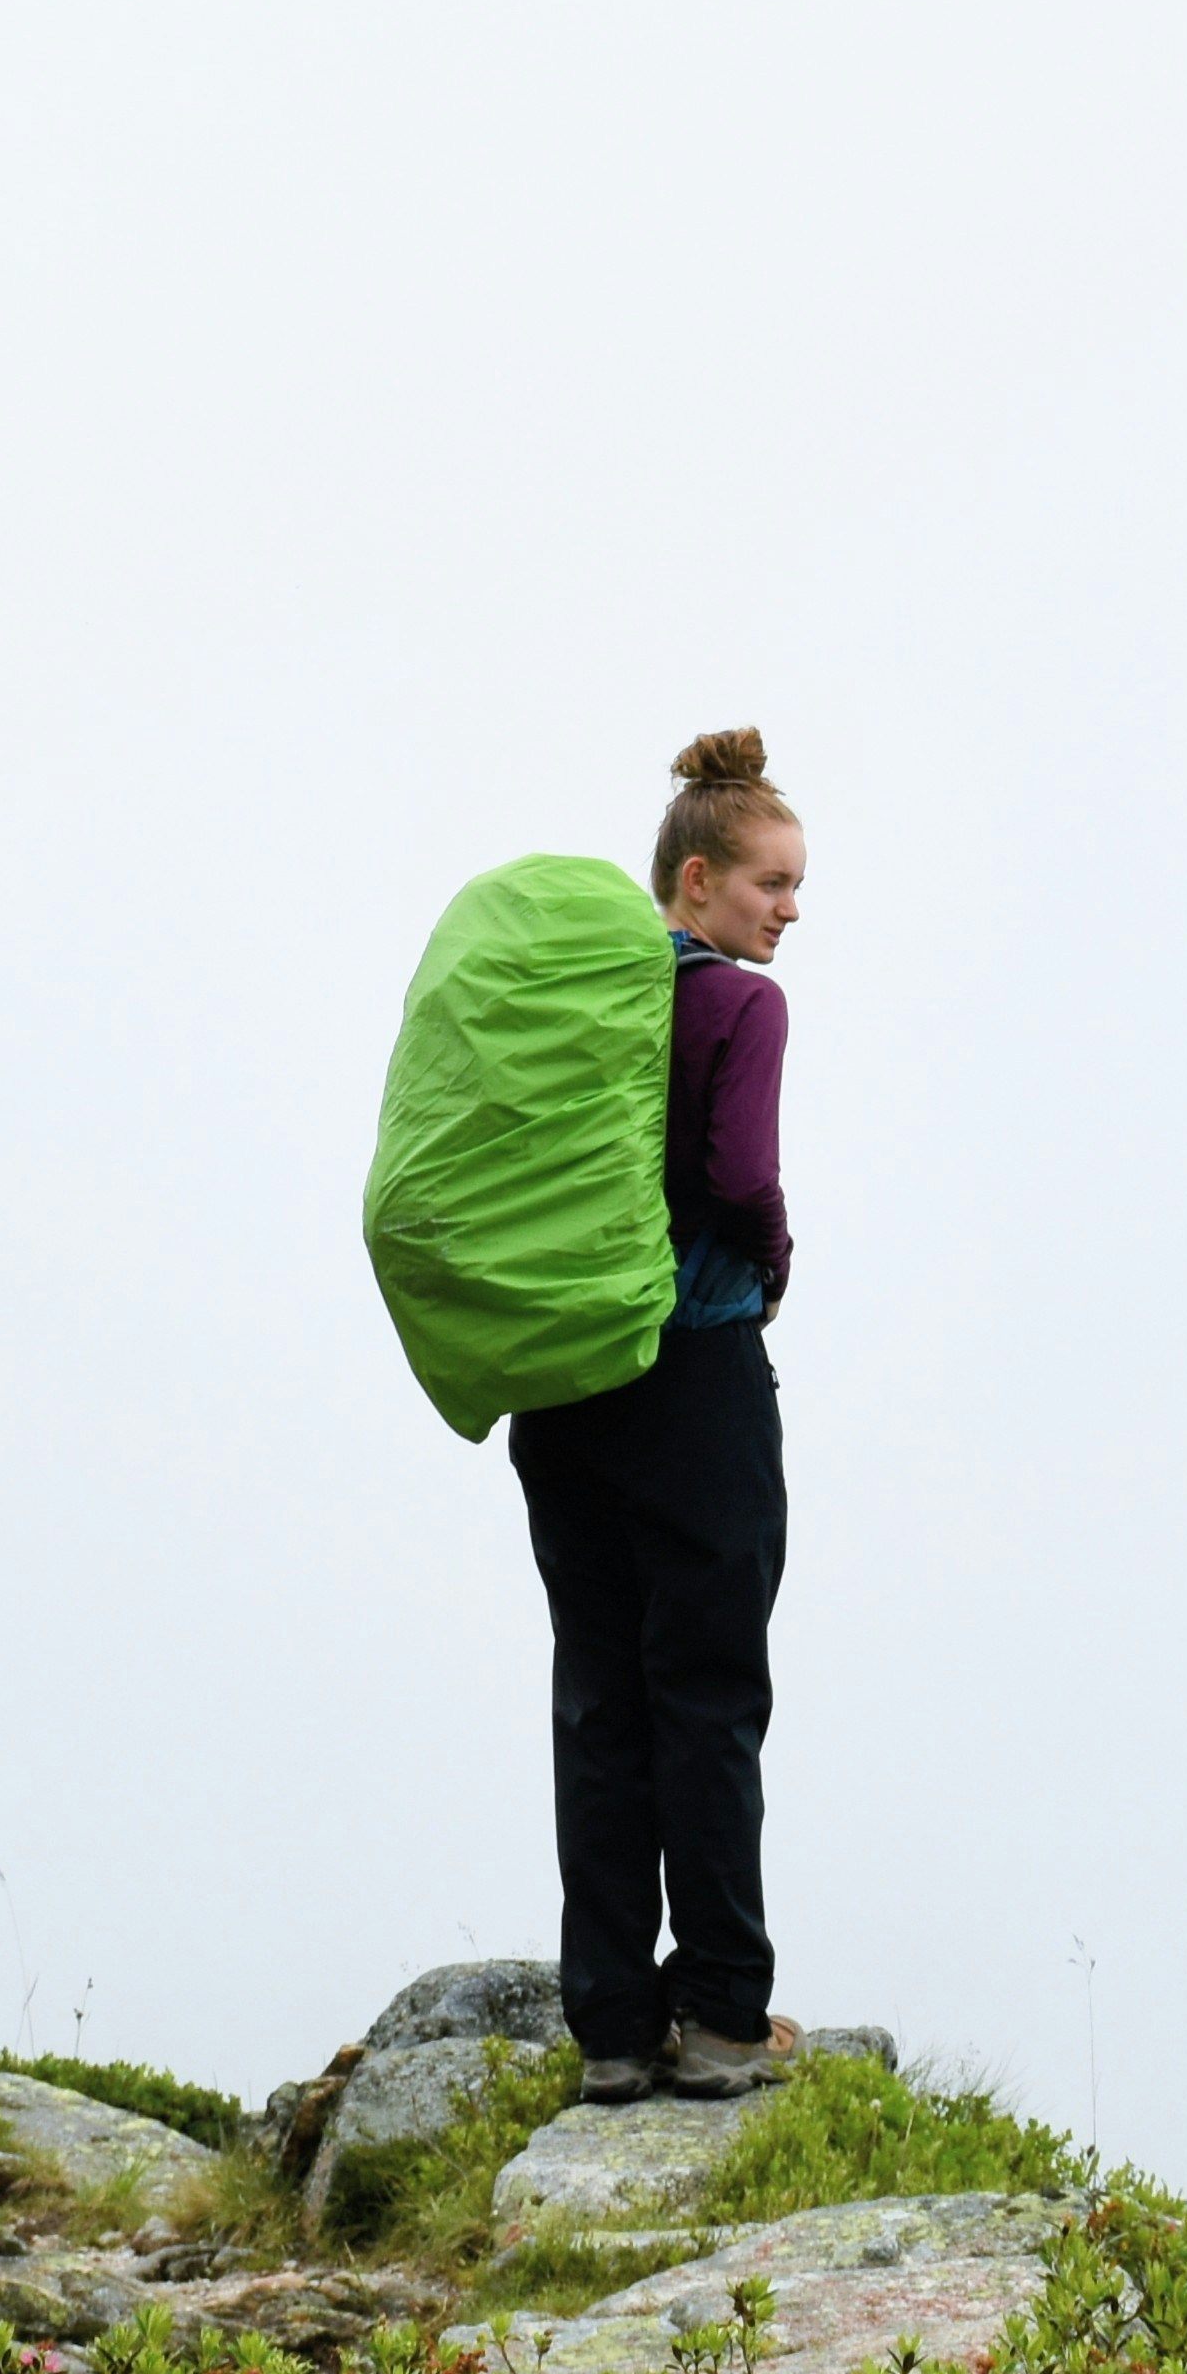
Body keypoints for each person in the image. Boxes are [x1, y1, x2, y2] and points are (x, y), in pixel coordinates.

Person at [513, 727, 807, 2104]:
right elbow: (738, 1173)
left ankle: (613, 2032)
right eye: (772, 884)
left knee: (600, 1695)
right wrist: (777, 1253)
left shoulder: (584, 998)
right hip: (693, 1374)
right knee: (707, 1692)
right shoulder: (738, 1008)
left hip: (566, 1388)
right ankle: (725, 2018)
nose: (789, 911)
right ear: (696, 882)